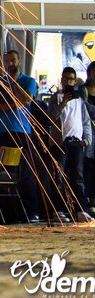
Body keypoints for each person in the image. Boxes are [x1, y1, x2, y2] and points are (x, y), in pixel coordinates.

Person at [0, 49, 39, 222]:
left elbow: (26, 100)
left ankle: (31, 211)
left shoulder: (28, 80)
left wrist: (15, 82)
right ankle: (9, 213)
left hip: (22, 131)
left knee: (26, 173)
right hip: (3, 132)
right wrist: (11, 105)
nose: (10, 63)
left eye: (13, 60)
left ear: (19, 61)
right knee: (5, 173)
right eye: (7, 61)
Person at [47, 66, 93, 223]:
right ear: (62, 80)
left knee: (78, 177)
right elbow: (51, 118)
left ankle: (81, 209)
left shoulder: (80, 100)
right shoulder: (56, 97)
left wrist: (86, 140)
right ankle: (58, 210)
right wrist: (63, 104)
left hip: (76, 142)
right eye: (66, 79)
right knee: (58, 177)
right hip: (59, 142)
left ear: (75, 81)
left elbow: (86, 121)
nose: (68, 82)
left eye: (71, 79)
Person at [83, 61, 95, 213]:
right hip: (89, 132)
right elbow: (86, 109)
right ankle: (88, 199)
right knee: (89, 166)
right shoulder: (84, 90)